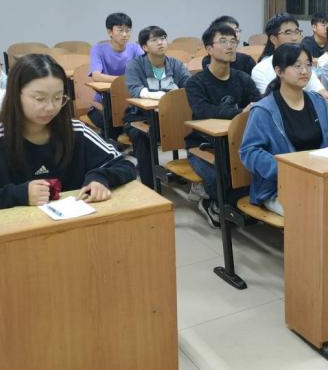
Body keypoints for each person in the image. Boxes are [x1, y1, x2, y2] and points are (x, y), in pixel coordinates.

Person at [0, 54, 137, 214]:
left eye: (58, 98)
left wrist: (100, 178)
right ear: (15, 95)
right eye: (39, 98)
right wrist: (17, 194)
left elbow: (124, 164)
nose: (50, 107)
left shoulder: (75, 131)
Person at [240, 44, 328, 216]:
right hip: (279, 187)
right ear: (279, 71)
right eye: (297, 66)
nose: (305, 71)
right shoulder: (264, 110)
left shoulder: (318, 101)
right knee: (313, 211)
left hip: (319, 179)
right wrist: (286, 170)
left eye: (308, 65)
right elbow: (249, 152)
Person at [185, 22, 261, 226]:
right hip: (204, 145)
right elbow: (204, 112)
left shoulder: (243, 78)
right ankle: (211, 201)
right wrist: (240, 113)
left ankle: (230, 202)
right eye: (223, 41)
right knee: (222, 174)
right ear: (209, 49)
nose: (230, 46)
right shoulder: (196, 82)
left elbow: (258, 104)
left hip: (239, 140)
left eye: (233, 41)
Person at [124, 25, 190, 187]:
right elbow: (136, 90)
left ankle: (195, 179)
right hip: (141, 116)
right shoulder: (135, 65)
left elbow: (189, 86)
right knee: (141, 136)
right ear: (144, 47)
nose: (161, 43)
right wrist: (163, 96)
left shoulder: (175, 64)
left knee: (195, 129)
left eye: (163, 38)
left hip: (172, 115)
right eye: (154, 40)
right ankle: (150, 185)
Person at [251, 13, 328, 99]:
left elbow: (320, 91)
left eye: (297, 32)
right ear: (274, 39)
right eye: (288, 33)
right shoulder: (261, 70)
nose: (294, 38)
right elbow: (271, 101)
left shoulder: (304, 64)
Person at [87, 12, 143, 129]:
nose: (125, 34)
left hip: (130, 100)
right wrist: (123, 81)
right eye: (120, 30)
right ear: (110, 32)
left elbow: (145, 70)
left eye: (128, 30)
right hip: (105, 101)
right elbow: (96, 76)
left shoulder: (135, 48)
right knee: (110, 124)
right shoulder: (98, 50)